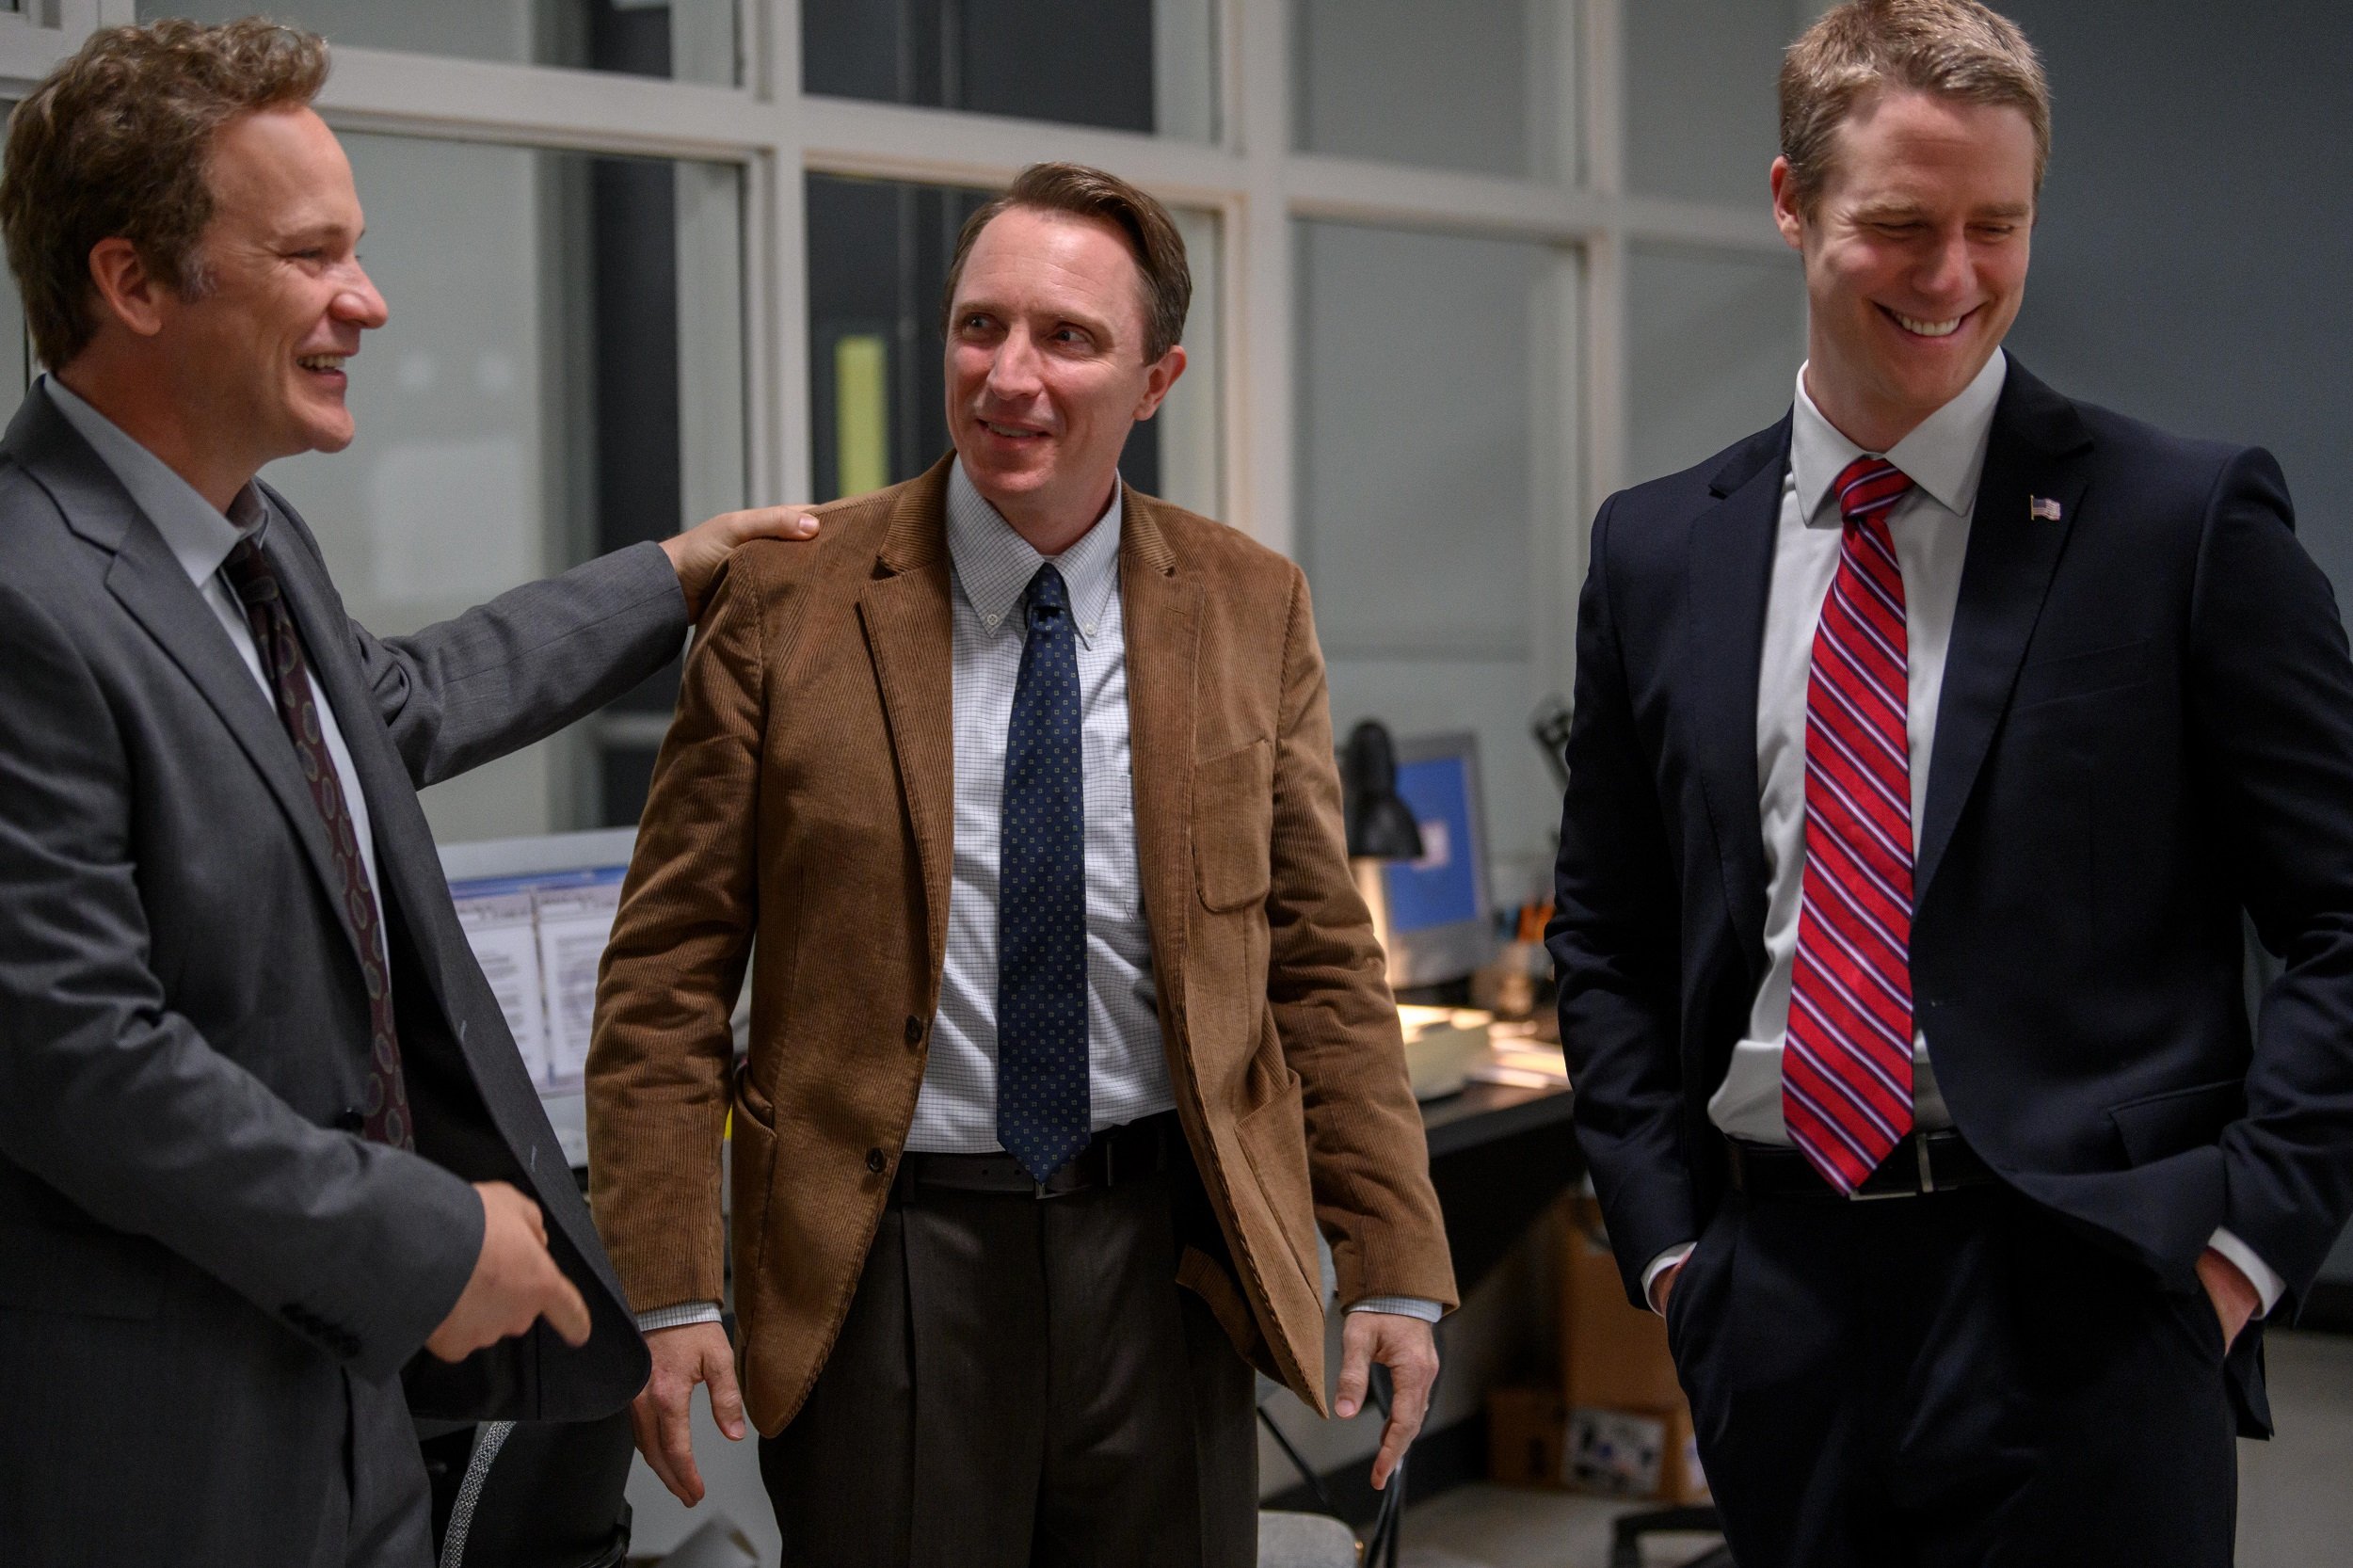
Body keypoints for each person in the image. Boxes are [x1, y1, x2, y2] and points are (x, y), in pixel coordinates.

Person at [0, 21, 816, 1565]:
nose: (367, 301)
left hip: (348, 1408)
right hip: (160, 1451)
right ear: (132, 282)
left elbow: (396, 704)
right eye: (312, 255)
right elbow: (76, 1058)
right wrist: (430, 1236)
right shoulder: (26, 594)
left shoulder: (249, 542)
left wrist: (671, 576)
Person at [1547, 2, 2353, 1562]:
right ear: (1791, 203)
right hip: (1776, 1299)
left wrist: (2244, 1250)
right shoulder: (1656, 551)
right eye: (1904, 226)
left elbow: (2342, 911)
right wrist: (1673, 1258)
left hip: (2093, 1300)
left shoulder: (2182, 524)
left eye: (1999, 225)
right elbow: (1609, 932)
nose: (1954, 276)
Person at [587, 161, 1458, 1564]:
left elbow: (1319, 964)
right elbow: (665, 978)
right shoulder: (788, 601)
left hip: (1169, 1256)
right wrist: (668, 1284)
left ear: (1157, 379)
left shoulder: (1249, 604)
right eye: (980, 326)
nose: (1010, 376)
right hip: (887, 1263)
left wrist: (1395, 1259)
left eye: (1068, 337)